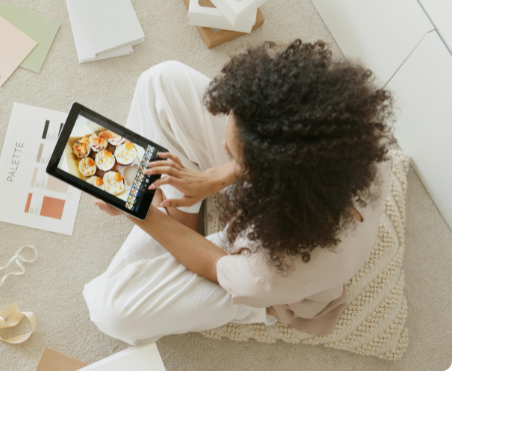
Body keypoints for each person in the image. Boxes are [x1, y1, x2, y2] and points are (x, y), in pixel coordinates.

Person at [83, 40, 395, 346]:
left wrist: (142, 213)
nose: (222, 146)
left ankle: (173, 220)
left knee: (109, 310)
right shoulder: (351, 148)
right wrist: (212, 178)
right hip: (280, 190)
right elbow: (279, 155)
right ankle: (179, 216)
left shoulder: (272, 274)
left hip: (258, 268)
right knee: (160, 82)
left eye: (232, 155)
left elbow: (211, 264)